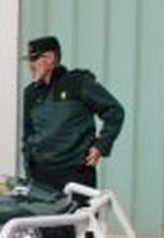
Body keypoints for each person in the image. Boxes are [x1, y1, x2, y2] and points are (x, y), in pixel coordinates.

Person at [21, 35, 124, 193]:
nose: (31, 65)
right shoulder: (31, 93)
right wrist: (29, 164)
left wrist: (101, 146)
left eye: (34, 60)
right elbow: (28, 134)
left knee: (77, 217)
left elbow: (114, 111)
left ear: (50, 58)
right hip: (40, 177)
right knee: (41, 219)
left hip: (75, 175)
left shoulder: (78, 83)